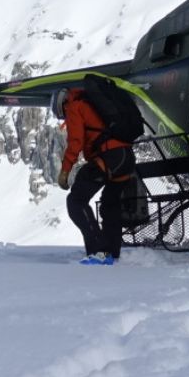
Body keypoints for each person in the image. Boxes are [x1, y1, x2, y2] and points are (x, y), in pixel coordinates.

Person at [55, 86, 134, 266]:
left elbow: (76, 141)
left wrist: (65, 170)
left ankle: (99, 251)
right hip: (125, 157)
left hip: (110, 156)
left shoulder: (75, 107)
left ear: (61, 104)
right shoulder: (93, 104)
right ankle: (112, 252)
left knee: (76, 200)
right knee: (110, 203)